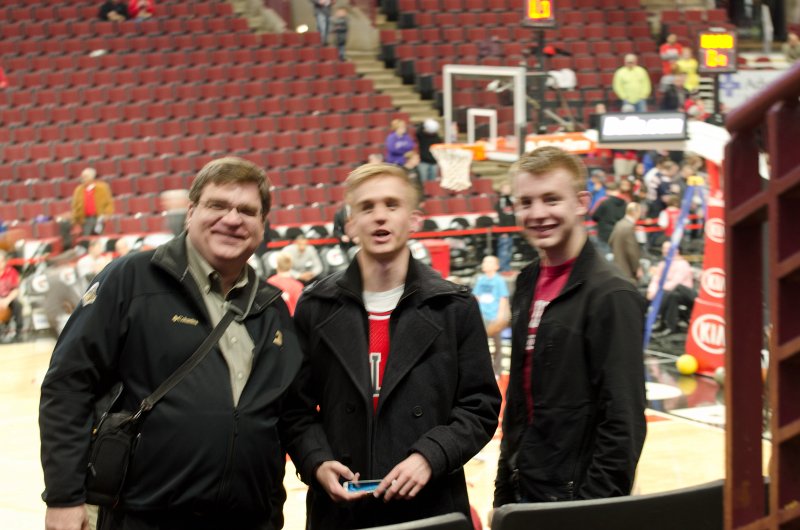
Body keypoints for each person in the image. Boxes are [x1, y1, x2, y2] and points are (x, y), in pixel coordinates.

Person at [39, 157, 303, 530]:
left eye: (247, 210)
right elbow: (67, 385)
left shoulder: (272, 307)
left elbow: (291, 415)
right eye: (217, 205)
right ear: (191, 211)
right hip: (146, 517)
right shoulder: (131, 280)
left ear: (263, 225)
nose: (232, 219)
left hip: (252, 518)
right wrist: (64, 497)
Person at [283, 162, 501, 529]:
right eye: (367, 207)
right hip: (341, 510)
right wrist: (317, 461)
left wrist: (431, 456)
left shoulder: (453, 305)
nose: (379, 216)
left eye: (392, 205)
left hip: (430, 505)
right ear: (350, 224)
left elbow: (480, 408)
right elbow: (294, 410)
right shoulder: (315, 307)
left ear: (414, 219)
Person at [494, 146, 647, 506]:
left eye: (551, 199)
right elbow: (518, 400)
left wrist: (591, 510)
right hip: (523, 489)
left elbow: (622, 421)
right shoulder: (526, 282)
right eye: (526, 202)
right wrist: (504, 489)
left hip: (576, 500)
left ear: (581, 203)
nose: (538, 214)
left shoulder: (612, 294)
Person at [648, 241, 696, 337]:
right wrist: (652, 290)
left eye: (667, 248)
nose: (665, 251)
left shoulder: (682, 264)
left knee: (671, 295)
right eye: (663, 248)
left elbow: (675, 283)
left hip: (684, 293)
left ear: (676, 251)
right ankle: (658, 322)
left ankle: (667, 324)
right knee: (644, 292)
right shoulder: (662, 264)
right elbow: (656, 279)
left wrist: (658, 292)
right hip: (668, 292)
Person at [473, 255, 510, 377]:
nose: (486, 264)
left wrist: (500, 316)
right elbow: (476, 297)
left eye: (489, 262)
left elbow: (503, 299)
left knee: (497, 344)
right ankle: (482, 370)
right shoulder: (481, 280)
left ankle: (497, 370)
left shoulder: (499, 280)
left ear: (496, 266)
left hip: (494, 317)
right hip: (483, 316)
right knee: (481, 344)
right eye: (484, 262)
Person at [71, 167, 114, 236]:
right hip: (85, 220)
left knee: (99, 238)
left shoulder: (102, 187)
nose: (83, 178)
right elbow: (75, 206)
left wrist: (106, 215)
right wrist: (76, 221)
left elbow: (109, 203)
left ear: (92, 177)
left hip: (99, 219)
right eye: (82, 176)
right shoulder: (78, 190)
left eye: (85, 176)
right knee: (86, 238)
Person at [591, 181, 628, 258]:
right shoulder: (624, 202)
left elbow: (594, 216)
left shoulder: (604, 201)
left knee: (604, 256)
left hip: (604, 233)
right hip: (619, 232)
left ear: (607, 191)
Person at [609, 201, 643, 283]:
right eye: (639, 212)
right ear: (635, 212)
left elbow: (610, 241)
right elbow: (632, 251)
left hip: (617, 266)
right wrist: (637, 268)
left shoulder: (619, 224)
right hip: (627, 269)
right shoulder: (629, 227)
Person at [0, 250, 24, 342]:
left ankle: (19, 332)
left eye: (1, 261)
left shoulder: (12, 272)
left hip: (8, 299)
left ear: (4, 261)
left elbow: (16, 289)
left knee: (18, 305)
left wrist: (7, 300)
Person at [494, 182, 516, 272]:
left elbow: (514, 212)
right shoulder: (501, 200)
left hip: (511, 228)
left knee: (509, 248)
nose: (508, 190)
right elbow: (501, 216)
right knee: (504, 248)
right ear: (502, 189)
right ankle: (502, 267)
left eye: (509, 188)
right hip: (504, 229)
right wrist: (503, 231)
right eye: (506, 188)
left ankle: (506, 267)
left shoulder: (511, 199)